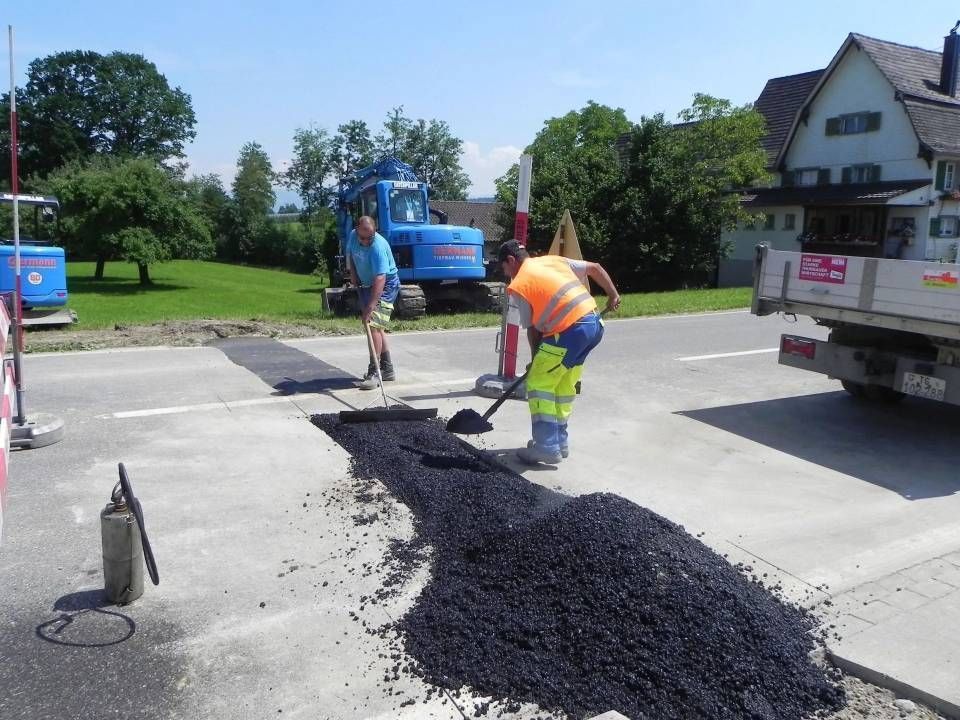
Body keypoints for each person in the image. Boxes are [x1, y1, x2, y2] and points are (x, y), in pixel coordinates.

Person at [498, 240, 621, 464]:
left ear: (511, 260)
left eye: (504, 268)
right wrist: (612, 294)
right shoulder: (553, 260)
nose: (506, 274)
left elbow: (533, 330)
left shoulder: (520, 284)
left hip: (569, 331)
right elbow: (595, 268)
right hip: (593, 325)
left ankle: (546, 447)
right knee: (563, 386)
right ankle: (559, 442)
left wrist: (536, 361)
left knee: (539, 384)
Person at [346, 216, 400, 390]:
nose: (367, 241)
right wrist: (352, 273)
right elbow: (350, 254)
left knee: (373, 323)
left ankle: (375, 372)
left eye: (370, 237)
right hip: (366, 284)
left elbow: (380, 277)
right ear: (357, 230)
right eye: (363, 237)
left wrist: (370, 306)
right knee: (376, 326)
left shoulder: (378, 246)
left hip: (386, 285)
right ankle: (387, 369)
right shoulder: (353, 236)